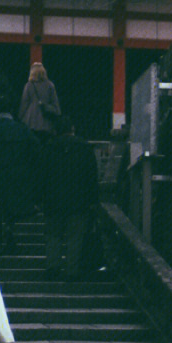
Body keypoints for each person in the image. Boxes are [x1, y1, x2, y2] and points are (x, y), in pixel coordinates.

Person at [0, 94, 41, 253]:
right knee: (12, 206)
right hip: (16, 174)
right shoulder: (22, 129)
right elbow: (35, 151)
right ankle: (10, 229)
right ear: (11, 110)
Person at [42, 115, 100, 279]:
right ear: (72, 129)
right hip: (79, 199)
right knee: (76, 236)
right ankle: (72, 269)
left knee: (53, 235)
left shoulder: (49, 148)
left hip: (53, 199)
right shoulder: (84, 148)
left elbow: (42, 175)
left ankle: (52, 266)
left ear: (55, 131)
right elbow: (91, 176)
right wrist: (93, 200)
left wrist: (39, 197)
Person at [17, 60, 61, 139]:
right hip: (47, 121)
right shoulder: (50, 85)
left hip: (31, 120)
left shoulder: (29, 85)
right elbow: (55, 103)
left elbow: (24, 103)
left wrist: (20, 117)